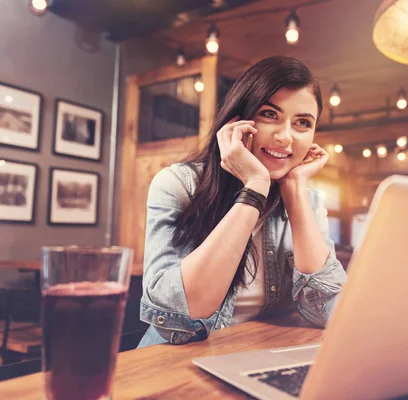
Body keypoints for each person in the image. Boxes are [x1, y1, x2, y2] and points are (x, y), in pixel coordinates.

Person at [138, 56, 347, 347]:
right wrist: (255, 188)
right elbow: (179, 315)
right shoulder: (178, 184)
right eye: (269, 114)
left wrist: (296, 189)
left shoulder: (308, 201)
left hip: (257, 361)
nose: (285, 137)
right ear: (237, 121)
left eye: (302, 123)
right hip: (172, 364)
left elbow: (331, 312)